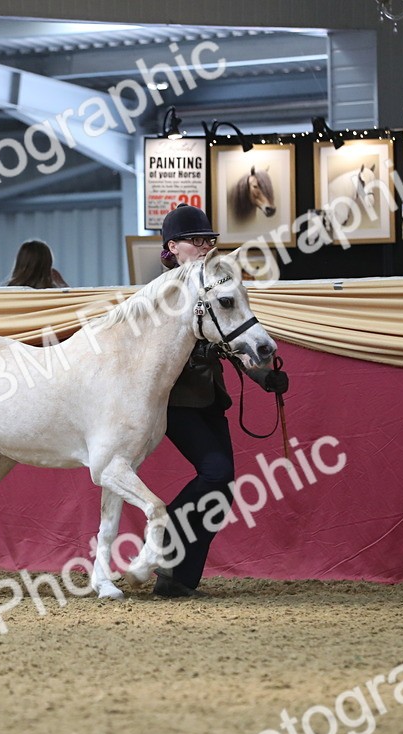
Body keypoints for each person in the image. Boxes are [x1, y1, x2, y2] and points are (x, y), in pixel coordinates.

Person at [153, 204, 234, 598]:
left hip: (210, 395)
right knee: (216, 472)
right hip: (177, 399)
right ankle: (165, 525)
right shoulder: (162, 293)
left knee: (223, 488)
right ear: (173, 246)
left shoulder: (214, 283)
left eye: (209, 240)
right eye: (196, 240)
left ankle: (178, 578)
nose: (205, 246)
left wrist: (261, 372)